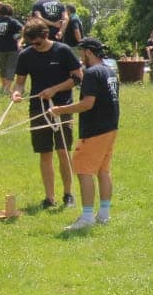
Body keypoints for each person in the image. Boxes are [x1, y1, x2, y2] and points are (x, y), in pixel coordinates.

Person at [50, 38, 120, 232]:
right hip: (110, 127)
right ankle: (104, 214)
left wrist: (60, 110)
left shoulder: (91, 73)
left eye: (81, 53)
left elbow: (87, 103)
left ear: (88, 52)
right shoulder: (109, 71)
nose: (80, 57)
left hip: (95, 129)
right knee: (103, 170)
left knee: (83, 170)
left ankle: (87, 216)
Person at [12, 20, 83, 209]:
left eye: (37, 43)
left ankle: (68, 195)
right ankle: (49, 197)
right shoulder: (26, 55)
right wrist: (17, 92)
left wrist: (55, 89)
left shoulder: (63, 51)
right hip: (38, 108)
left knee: (62, 151)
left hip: (62, 107)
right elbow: (20, 81)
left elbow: (77, 77)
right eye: (31, 43)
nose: (34, 46)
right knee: (44, 153)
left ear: (46, 35)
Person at [0, 2, 24, 94]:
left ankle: (4, 86)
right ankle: (7, 88)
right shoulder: (12, 21)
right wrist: (20, 39)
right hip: (12, 47)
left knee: (2, 68)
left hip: (0, 48)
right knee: (11, 67)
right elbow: (23, 29)